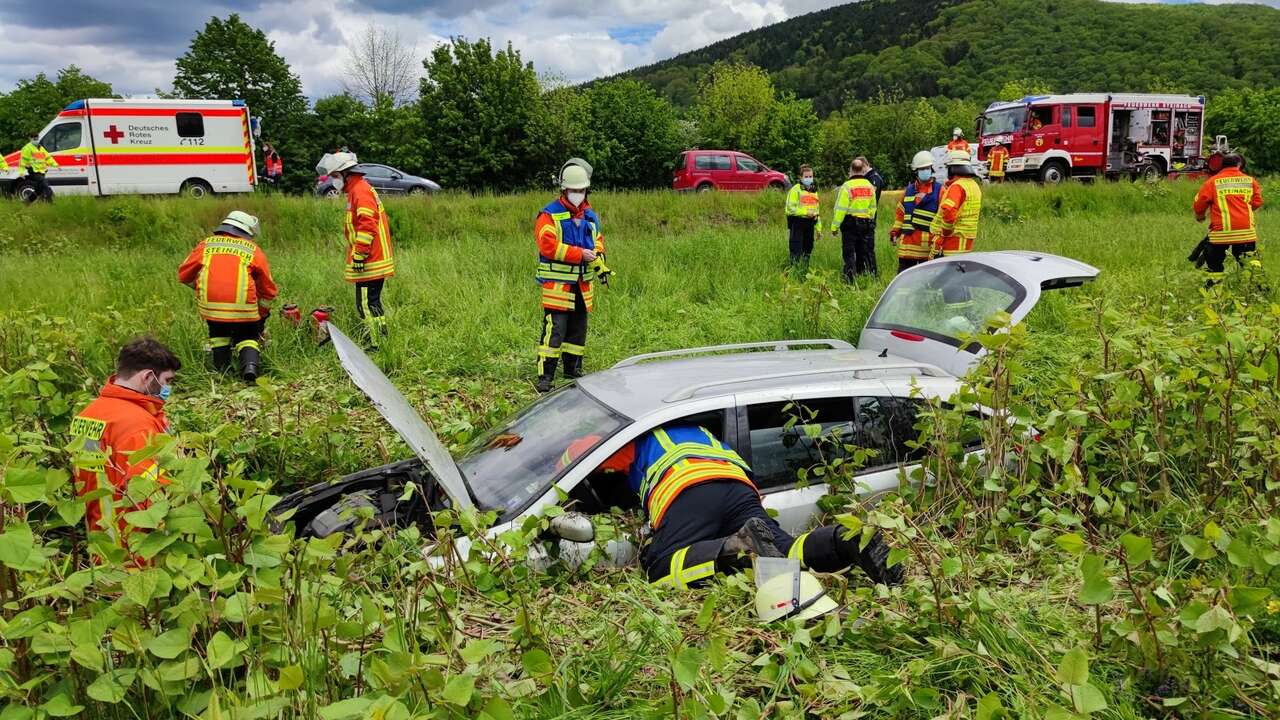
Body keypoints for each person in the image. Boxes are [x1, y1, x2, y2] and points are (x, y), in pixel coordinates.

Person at [573, 424, 903, 591]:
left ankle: (739, 546)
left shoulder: (638, 433)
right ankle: (844, 538)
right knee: (784, 550)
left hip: (687, 491)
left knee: (659, 569)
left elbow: (583, 459)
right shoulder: (701, 432)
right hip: (739, 489)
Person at [70, 338, 181, 557]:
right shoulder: (136, 424)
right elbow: (148, 492)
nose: (168, 388)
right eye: (167, 381)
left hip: (101, 542)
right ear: (148, 377)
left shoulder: (87, 415)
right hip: (136, 546)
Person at [534, 157, 610, 393]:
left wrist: (599, 260)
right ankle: (545, 376)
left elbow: (598, 241)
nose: (578, 193)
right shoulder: (549, 215)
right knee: (555, 329)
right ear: (564, 189)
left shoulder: (590, 216)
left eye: (581, 190)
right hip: (558, 286)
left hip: (582, 285)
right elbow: (547, 246)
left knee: (578, 328)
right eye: (573, 190)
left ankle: (572, 369)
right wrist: (580, 254)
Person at [177, 211, 278, 381]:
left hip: (211, 309)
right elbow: (268, 288)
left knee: (218, 335)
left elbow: (184, 275)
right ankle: (250, 368)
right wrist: (262, 313)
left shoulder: (205, 246)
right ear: (245, 230)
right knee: (248, 336)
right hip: (244, 308)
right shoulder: (252, 250)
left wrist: (202, 289)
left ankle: (223, 371)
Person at [316, 152, 396, 346]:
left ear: (346, 174)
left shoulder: (360, 191)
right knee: (371, 303)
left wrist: (359, 255)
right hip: (372, 258)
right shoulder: (357, 189)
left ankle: (376, 344)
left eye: (335, 176)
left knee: (366, 305)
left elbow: (367, 225)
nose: (334, 181)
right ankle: (381, 339)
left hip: (370, 260)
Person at [930, 149, 984, 324]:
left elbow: (948, 211)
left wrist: (944, 232)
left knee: (951, 279)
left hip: (953, 239)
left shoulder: (957, 186)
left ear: (952, 168)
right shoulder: (974, 186)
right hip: (966, 239)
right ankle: (970, 316)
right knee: (961, 276)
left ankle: (956, 319)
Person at [1193, 153, 1264, 287]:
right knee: (1250, 264)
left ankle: (1213, 289)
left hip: (1220, 234)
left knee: (1215, 265)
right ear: (1239, 165)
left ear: (1221, 165)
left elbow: (1199, 202)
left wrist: (1200, 216)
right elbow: (1257, 202)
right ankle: (1259, 289)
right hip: (1246, 233)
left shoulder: (1212, 182)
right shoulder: (1250, 181)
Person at [890, 151, 942, 274]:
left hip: (926, 248)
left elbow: (943, 217)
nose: (925, 171)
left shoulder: (940, 190)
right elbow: (900, 214)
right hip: (907, 248)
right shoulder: (908, 190)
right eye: (922, 168)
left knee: (926, 283)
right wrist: (895, 232)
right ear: (916, 171)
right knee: (904, 282)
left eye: (927, 168)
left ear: (932, 169)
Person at [830, 158, 879, 281]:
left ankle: (850, 279)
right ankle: (869, 276)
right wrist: (870, 220)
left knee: (849, 253)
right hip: (866, 224)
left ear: (851, 170)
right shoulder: (869, 186)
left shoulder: (847, 186)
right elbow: (873, 207)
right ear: (863, 170)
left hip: (850, 225)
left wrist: (834, 227)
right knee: (865, 252)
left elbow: (840, 209)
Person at [784, 165, 820, 266]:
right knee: (796, 249)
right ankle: (794, 271)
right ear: (801, 177)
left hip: (810, 223)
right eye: (806, 176)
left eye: (810, 176)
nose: (809, 179)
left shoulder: (814, 191)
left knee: (808, 249)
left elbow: (817, 210)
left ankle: (804, 270)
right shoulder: (795, 190)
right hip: (798, 223)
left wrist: (819, 228)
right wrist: (805, 213)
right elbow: (790, 209)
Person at [19, 131, 57, 202]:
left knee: (39, 189)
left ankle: (27, 202)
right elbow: (23, 161)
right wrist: (21, 172)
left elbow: (48, 157)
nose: (36, 140)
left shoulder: (40, 148)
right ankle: (51, 201)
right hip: (33, 171)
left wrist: (55, 165)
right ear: (30, 139)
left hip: (42, 171)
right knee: (45, 185)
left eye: (37, 138)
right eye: (34, 139)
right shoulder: (27, 148)